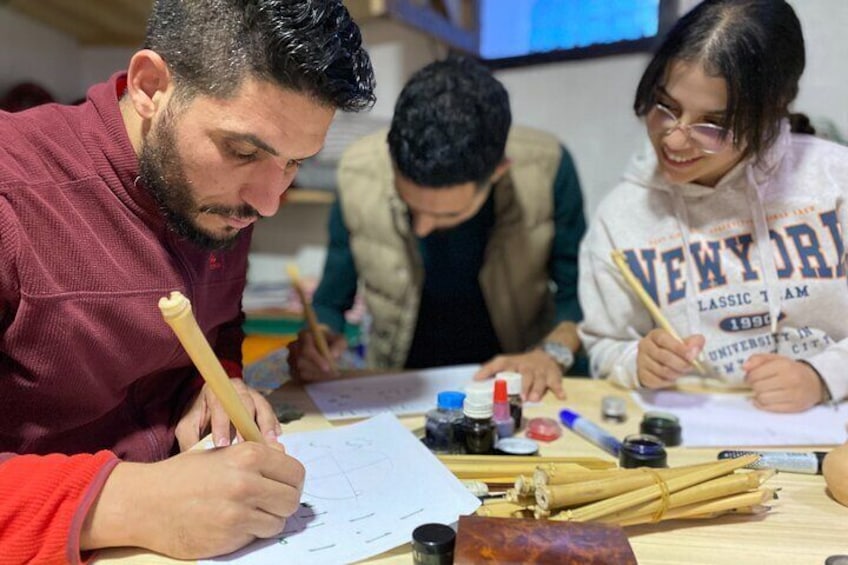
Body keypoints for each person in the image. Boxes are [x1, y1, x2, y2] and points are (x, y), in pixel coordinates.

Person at [0, 0, 374, 561]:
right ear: (151, 86)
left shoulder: (220, 199)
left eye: (295, 163)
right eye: (244, 151)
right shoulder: (14, 194)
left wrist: (215, 386)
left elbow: (219, 327)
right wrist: (126, 503)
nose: (268, 203)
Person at [579, 0, 848, 413]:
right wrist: (638, 362)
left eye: (713, 125)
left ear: (772, 110)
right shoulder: (621, 216)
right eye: (664, 105)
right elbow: (604, 345)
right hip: (693, 445)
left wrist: (823, 376)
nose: (674, 139)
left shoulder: (833, 180)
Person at [288, 56, 587, 402]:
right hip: (399, 380)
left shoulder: (547, 168)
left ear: (498, 172)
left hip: (511, 381)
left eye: (448, 215)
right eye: (409, 204)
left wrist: (550, 354)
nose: (423, 226)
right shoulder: (358, 173)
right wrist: (320, 338)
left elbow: (577, 298)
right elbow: (330, 300)